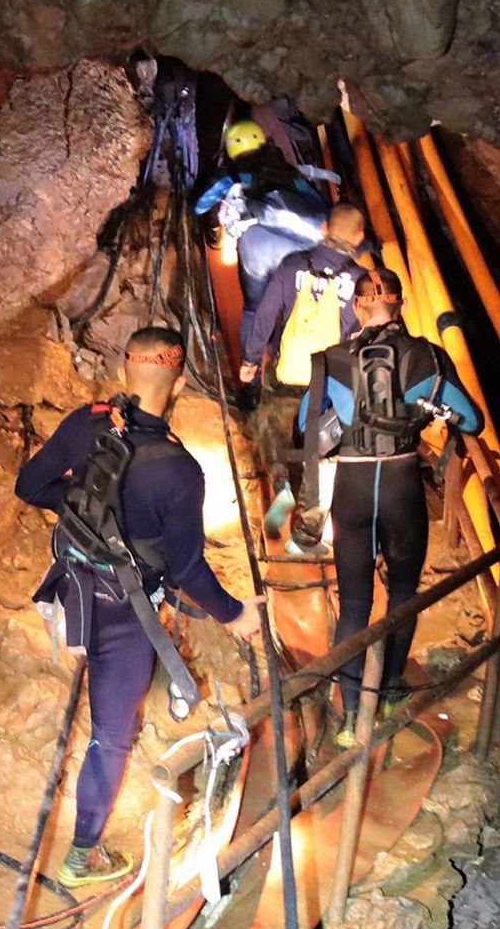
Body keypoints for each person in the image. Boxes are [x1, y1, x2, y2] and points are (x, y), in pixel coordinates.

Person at [15, 326, 261, 886]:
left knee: (107, 708)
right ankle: (82, 857)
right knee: (111, 734)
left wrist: (86, 513)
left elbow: (30, 485)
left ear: (126, 368)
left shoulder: (84, 423)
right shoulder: (178, 470)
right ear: (176, 380)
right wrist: (234, 614)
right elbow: (187, 570)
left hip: (72, 587)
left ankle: (86, 845)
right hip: (125, 616)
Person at [293, 269, 482, 746]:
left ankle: (351, 713)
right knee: (402, 593)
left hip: (352, 489)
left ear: (356, 306)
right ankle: (392, 692)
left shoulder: (328, 361)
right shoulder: (427, 357)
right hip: (401, 486)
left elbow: (305, 427)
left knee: (355, 601)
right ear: (401, 304)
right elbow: (473, 419)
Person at [240, 203, 369, 500]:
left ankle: (280, 479)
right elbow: (362, 331)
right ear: (359, 237)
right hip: (329, 372)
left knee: (272, 420)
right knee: (320, 431)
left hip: (287, 364)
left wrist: (250, 358)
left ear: (324, 228)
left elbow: (265, 313)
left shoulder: (293, 264)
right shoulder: (361, 280)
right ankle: (311, 497)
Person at [195, 119, 331, 389]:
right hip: (296, 251)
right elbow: (320, 209)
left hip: (257, 249)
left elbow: (200, 205)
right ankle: (294, 371)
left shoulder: (231, 175)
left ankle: (252, 376)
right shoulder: (289, 173)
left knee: (254, 309)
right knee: (295, 308)